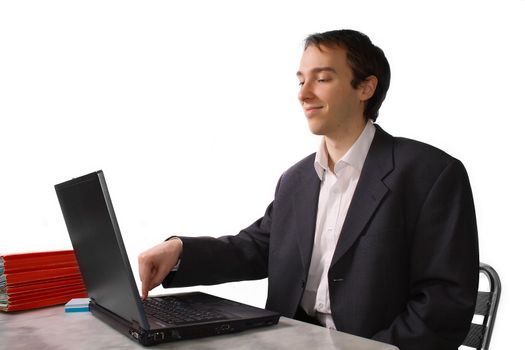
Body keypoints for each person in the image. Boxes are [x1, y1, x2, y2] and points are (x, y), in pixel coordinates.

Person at [138, 29, 479, 350]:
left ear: (365, 88)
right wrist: (180, 251)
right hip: (289, 339)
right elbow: (257, 248)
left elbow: (444, 302)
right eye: (301, 80)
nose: (303, 93)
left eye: (323, 78)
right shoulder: (296, 179)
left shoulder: (430, 173)